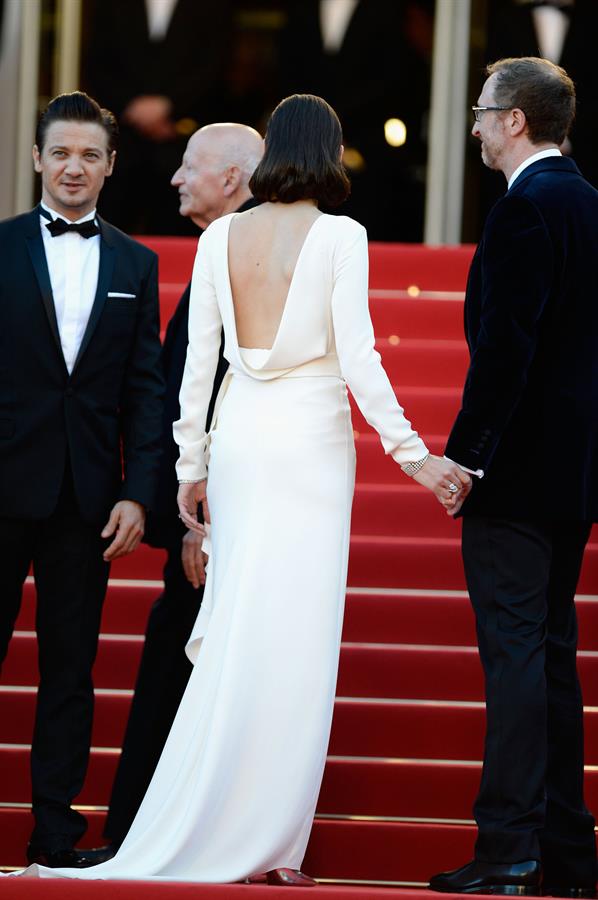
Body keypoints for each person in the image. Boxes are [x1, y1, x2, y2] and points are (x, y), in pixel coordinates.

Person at [12, 93, 470, 885]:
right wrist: (413, 455)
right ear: (327, 151)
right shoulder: (341, 235)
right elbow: (358, 357)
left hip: (242, 448)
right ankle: (272, 842)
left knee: (233, 635)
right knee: (295, 641)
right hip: (310, 448)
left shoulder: (223, 236)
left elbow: (194, 367)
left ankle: (218, 822)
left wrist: (190, 470)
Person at [429, 58, 598, 897]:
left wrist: (466, 456)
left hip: (519, 478)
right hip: (570, 478)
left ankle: (509, 848)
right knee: (551, 659)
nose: (475, 127)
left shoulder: (526, 210)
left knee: (518, 660)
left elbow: (508, 349)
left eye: (482, 112)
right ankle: (565, 848)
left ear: (516, 122)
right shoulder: (590, 204)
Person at [81, 123, 263, 863]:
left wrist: (200, 523)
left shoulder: (243, 255)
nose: (175, 179)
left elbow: (227, 395)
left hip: (214, 517)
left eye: (191, 167)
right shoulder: (235, 248)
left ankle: (144, 841)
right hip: (206, 511)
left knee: (176, 670)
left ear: (232, 177)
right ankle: (151, 835)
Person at [0, 92, 164, 867]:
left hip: (88, 501)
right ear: (37, 159)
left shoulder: (138, 263)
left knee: (71, 672)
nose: (74, 167)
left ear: (109, 165)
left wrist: (139, 492)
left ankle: (55, 836)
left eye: (89, 155)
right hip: (0, 489)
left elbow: (144, 389)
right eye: (61, 152)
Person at [82, 0, 233, 234]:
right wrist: (132, 107)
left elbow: (215, 65)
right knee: (111, 235)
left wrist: (170, 106)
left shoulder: (213, 7)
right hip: (123, 146)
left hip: (182, 142)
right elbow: (97, 63)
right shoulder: (111, 5)